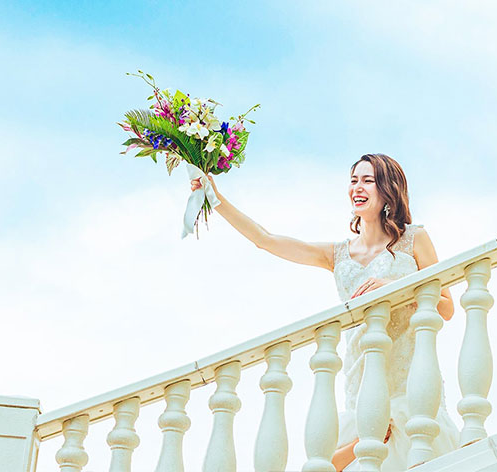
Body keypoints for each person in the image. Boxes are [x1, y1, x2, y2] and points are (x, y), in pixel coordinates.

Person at [190, 153, 459, 471]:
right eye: (354, 180)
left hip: (411, 382)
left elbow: (446, 307)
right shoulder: (338, 254)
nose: (357, 187)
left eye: (368, 180)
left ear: (388, 189)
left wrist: (397, 286)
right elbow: (266, 240)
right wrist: (216, 198)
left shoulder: (414, 239)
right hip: (362, 383)